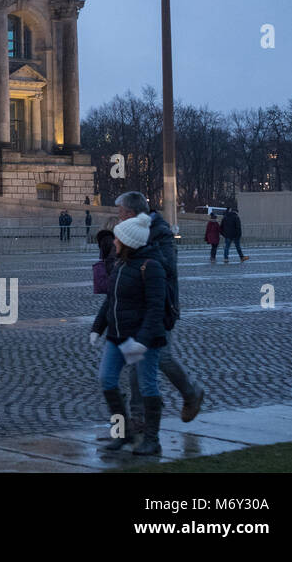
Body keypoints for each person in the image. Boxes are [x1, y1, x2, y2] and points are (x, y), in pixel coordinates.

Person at [115, 190, 205, 429]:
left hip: (159, 305)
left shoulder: (160, 233)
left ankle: (191, 392)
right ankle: (139, 415)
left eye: (121, 213)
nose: (118, 218)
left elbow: (168, 269)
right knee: (136, 356)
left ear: (132, 213)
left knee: (161, 356)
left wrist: (141, 250)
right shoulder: (128, 231)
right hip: (135, 305)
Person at [91, 212, 168, 455]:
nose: (114, 242)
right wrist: (97, 328)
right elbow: (110, 301)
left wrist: (143, 341)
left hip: (143, 340)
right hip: (117, 336)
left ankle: (152, 439)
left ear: (128, 242)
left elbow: (156, 308)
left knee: (147, 387)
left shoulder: (151, 267)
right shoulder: (120, 264)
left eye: (118, 239)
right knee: (107, 379)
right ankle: (123, 433)